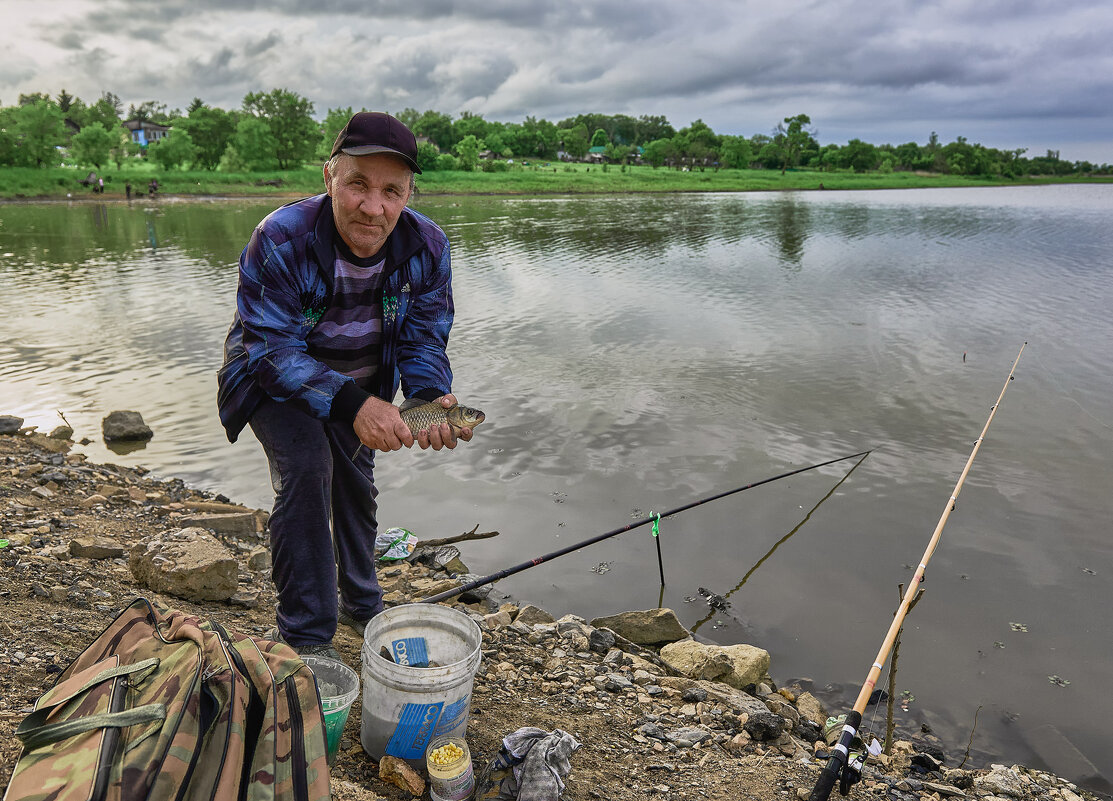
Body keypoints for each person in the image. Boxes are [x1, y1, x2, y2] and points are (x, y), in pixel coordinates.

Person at [216, 112, 471, 660]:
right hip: (269, 377)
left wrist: (428, 396)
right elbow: (272, 349)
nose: (373, 207)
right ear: (330, 176)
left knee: (355, 486)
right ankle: (307, 637)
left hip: (361, 383)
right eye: (358, 184)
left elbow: (425, 339)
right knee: (308, 471)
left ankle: (362, 605)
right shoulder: (282, 236)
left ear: (408, 194)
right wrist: (355, 404)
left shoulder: (428, 246)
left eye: (391, 191)